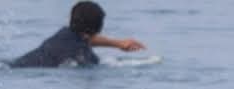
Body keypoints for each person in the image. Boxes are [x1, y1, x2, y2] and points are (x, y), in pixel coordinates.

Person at [10, 1, 145, 67]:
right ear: (98, 28)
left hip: (16, 64)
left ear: (71, 18)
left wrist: (118, 44)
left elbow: (84, 38)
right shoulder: (84, 55)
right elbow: (86, 41)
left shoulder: (64, 32)